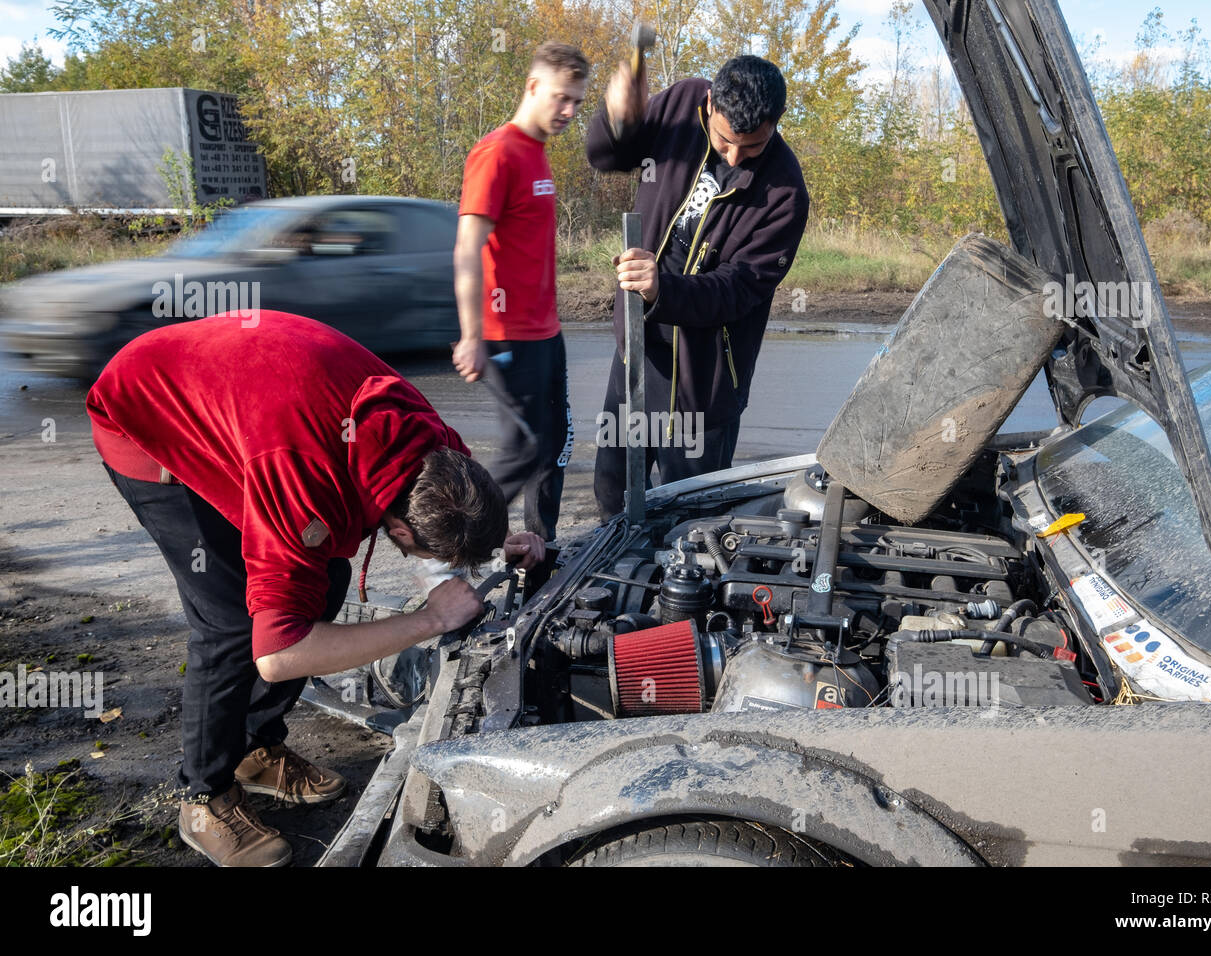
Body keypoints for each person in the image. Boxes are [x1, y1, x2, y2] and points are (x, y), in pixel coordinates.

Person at [85, 310, 544, 867]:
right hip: (146, 417)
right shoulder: (304, 480)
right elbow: (277, 655)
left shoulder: (430, 444)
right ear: (398, 529)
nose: (445, 569)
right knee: (231, 622)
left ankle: (254, 751)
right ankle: (201, 797)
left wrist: (499, 546)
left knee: (327, 577)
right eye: (437, 557)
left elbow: (449, 520)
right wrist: (430, 620)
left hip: (238, 389)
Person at [586, 54, 810, 519]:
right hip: (638, 352)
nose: (733, 157)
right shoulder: (681, 103)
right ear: (708, 104)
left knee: (690, 516)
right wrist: (616, 120)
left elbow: (736, 290)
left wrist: (661, 289)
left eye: (752, 148)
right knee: (612, 492)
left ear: (776, 124)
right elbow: (609, 156)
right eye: (725, 140)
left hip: (705, 381)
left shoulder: (785, 194)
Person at [452, 41, 589, 542]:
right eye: (560, 98)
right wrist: (471, 335)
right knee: (523, 450)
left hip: (545, 335)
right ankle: (449, 546)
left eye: (576, 101)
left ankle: (539, 551)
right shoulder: (497, 153)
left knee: (554, 446)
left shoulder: (536, 154)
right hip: (504, 334)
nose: (569, 111)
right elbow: (468, 247)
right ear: (533, 87)